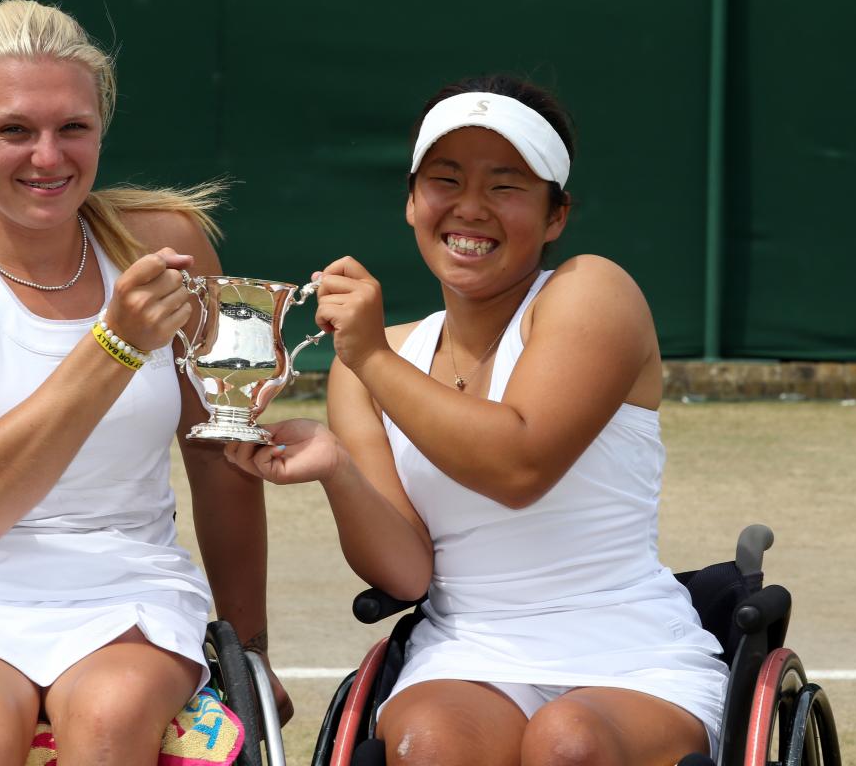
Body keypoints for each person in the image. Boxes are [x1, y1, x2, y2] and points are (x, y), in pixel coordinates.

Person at [224, 74, 730, 765]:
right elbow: (406, 575)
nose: (470, 208)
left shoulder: (594, 292)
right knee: (428, 748)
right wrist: (337, 471)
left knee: (567, 744)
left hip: (636, 653)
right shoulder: (367, 366)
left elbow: (518, 467)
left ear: (556, 215)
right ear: (410, 201)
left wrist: (371, 355)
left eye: (505, 186)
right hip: (466, 652)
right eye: (445, 180)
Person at [0, 0, 289, 765]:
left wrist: (251, 650)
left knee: (112, 724)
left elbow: (219, 458)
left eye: (72, 128)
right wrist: (113, 346)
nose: (48, 157)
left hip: (129, 585)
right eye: (15, 130)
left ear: (100, 130)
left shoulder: (168, 244)